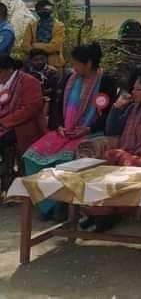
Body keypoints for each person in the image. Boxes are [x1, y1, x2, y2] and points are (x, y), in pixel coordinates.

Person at [22, 43, 116, 220]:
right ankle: (47, 205)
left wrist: (88, 128)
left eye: (77, 63)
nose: (74, 67)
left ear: (88, 63)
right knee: (31, 156)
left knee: (65, 160)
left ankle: (63, 205)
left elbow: (108, 112)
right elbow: (56, 106)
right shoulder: (69, 78)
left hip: (90, 131)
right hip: (65, 130)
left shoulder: (105, 81)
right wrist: (59, 126)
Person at [0, 55, 44, 191]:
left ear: (9, 69)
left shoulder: (29, 81)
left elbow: (31, 107)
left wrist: (5, 121)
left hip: (22, 129)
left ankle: (16, 189)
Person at [24, 48, 61, 130]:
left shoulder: (53, 72)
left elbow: (56, 89)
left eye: (42, 59)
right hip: (32, 104)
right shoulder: (26, 73)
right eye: (36, 60)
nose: (40, 62)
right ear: (31, 61)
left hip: (51, 104)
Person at [22, 0, 65, 69]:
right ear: (37, 11)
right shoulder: (31, 25)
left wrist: (35, 46)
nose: (43, 11)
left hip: (53, 64)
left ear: (51, 10)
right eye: (40, 9)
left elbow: (54, 46)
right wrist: (35, 54)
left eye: (45, 9)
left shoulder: (59, 26)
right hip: (33, 64)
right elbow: (25, 45)